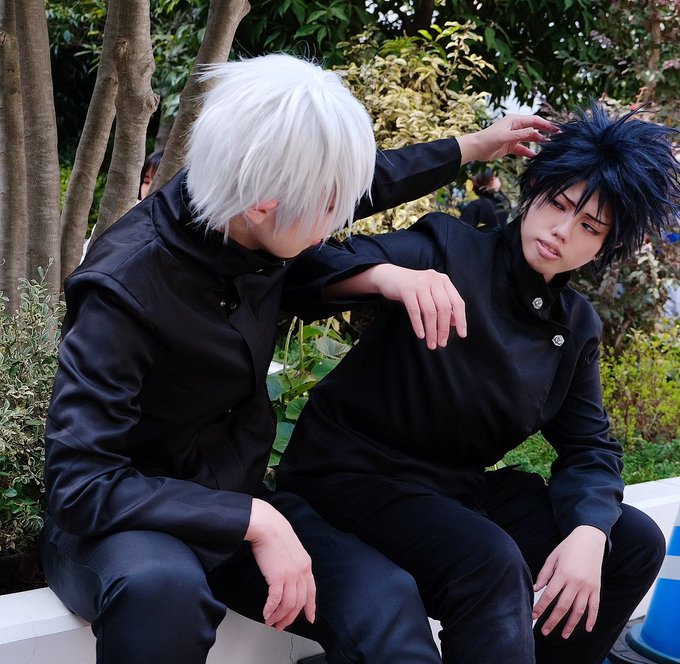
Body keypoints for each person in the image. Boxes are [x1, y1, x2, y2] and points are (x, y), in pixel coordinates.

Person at [40, 52, 554, 664]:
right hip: (125, 521)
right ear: (262, 201)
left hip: (237, 498)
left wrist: (472, 146)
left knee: (384, 600)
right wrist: (252, 519)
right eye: (328, 207)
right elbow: (81, 482)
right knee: (163, 590)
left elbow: (366, 181)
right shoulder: (123, 287)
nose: (337, 222)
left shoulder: (246, 211)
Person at [278, 104, 680, 664]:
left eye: (590, 227)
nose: (562, 231)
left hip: (450, 489)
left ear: (604, 247)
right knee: (489, 560)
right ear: (533, 190)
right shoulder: (448, 248)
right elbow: (301, 271)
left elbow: (590, 446)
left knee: (630, 543)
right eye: (558, 204)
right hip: (349, 475)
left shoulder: (575, 325)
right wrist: (387, 277)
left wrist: (590, 531)